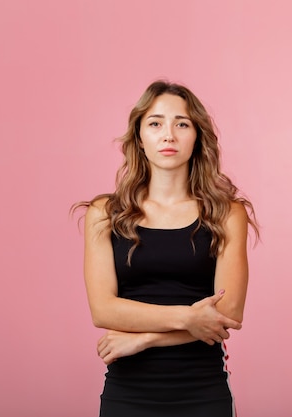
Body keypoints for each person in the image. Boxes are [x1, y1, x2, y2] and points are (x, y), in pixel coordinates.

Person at [73, 80, 259, 417]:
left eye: (182, 124)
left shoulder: (228, 213)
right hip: (127, 393)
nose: (168, 134)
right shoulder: (105, 213)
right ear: (140, 138)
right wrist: (189, 317)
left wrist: (145, 339)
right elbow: (103, 310)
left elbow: (227, 313)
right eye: (155, 123)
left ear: (197, 137)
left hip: (204, 391)